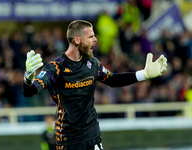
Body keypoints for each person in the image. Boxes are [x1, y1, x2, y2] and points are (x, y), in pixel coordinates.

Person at [23, 20, 167, 150]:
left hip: (92, 136)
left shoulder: (93, 64)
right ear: (77, 40)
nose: (95, 40)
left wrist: (144, 74)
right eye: (91, 37)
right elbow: (30, 91)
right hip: (68, 140)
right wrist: (28, 77)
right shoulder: (55, 68)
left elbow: (113, 80)